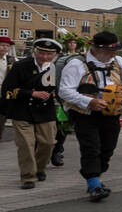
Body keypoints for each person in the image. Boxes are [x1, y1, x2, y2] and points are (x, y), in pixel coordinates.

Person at [58, 30, 122, 201]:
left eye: (115, 50)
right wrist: (89, 101)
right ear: (96, 49)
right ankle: (94, 185)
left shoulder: (118, 61)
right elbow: (64, 91)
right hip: (85, 113)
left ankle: (96, 176)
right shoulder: (76, 65)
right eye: (110, 51)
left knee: (107, 148)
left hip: (112, 113)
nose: (114, 54)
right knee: (91, 148)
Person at [2, 37, 61, 188]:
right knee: (26, 145)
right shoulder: (20, 66)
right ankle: (28, 176)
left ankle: (39, 169)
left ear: (55, 54)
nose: (45, 57)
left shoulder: (55, 68)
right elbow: (7, 90)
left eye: (49, 54)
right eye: (41, 53)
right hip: (22, 111)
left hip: (45, 111)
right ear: (35, 51)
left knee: (48, 143)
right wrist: (31, 93)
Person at [50, 35, 84, 167]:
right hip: (53, 97)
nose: (72, 44)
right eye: (70, 42)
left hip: (65, 99)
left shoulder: (80, 58)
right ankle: (48, 151)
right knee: (48, 128)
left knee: (62, 127)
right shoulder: (59, 59)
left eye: (74, 42)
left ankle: (56, 151)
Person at [0, 35, 15, 143]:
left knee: (2, 116)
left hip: (4, 93)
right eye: (2, 45)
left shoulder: (12, 60)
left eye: (6, 46)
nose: (4, 48)